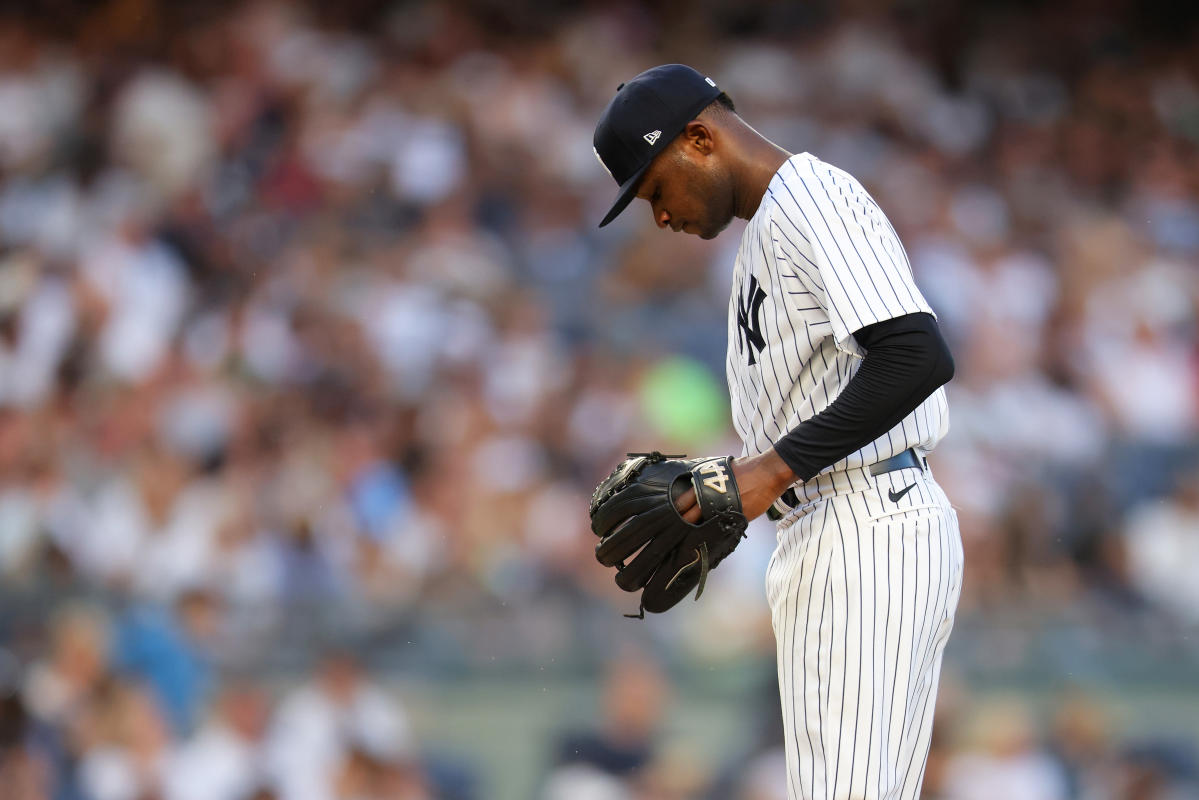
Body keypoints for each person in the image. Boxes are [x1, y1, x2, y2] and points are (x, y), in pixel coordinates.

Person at [592, 64, 965, 800]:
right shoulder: (765, 235)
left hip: (864, 524)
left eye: (654, 189)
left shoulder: (810, 195)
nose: (659, 216)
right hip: (833, 526)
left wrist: (767, 472)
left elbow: (917, 353)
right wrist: (735, 479)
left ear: (698, 139)